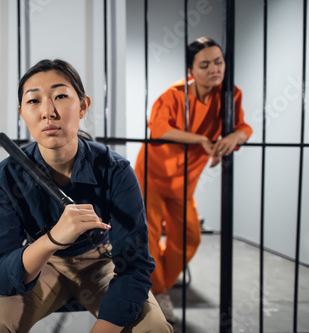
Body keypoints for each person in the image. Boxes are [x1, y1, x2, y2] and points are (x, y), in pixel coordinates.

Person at [0, 59, 172, 333]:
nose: (48, 112)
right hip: (41, 261)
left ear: (83, 105)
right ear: (21, 113)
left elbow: (135, 265)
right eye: (34, 101)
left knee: (152, 328)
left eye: (60, 96)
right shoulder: (5, 177)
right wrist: (52, 239)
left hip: (102, 261)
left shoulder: (116, 170)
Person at [134, 37, 253, 323]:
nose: (215, 69)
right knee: (148, 236)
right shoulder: (174, 95)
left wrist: (236, 137)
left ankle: (157, 275)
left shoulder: (230, 94)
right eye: (205, 64)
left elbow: (242, 126)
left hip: (184, 181)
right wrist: (202, 139)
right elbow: (159, 128)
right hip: (152, 173)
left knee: (190, 236)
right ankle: (158, 290)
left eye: (218, 62)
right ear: (191, 70)